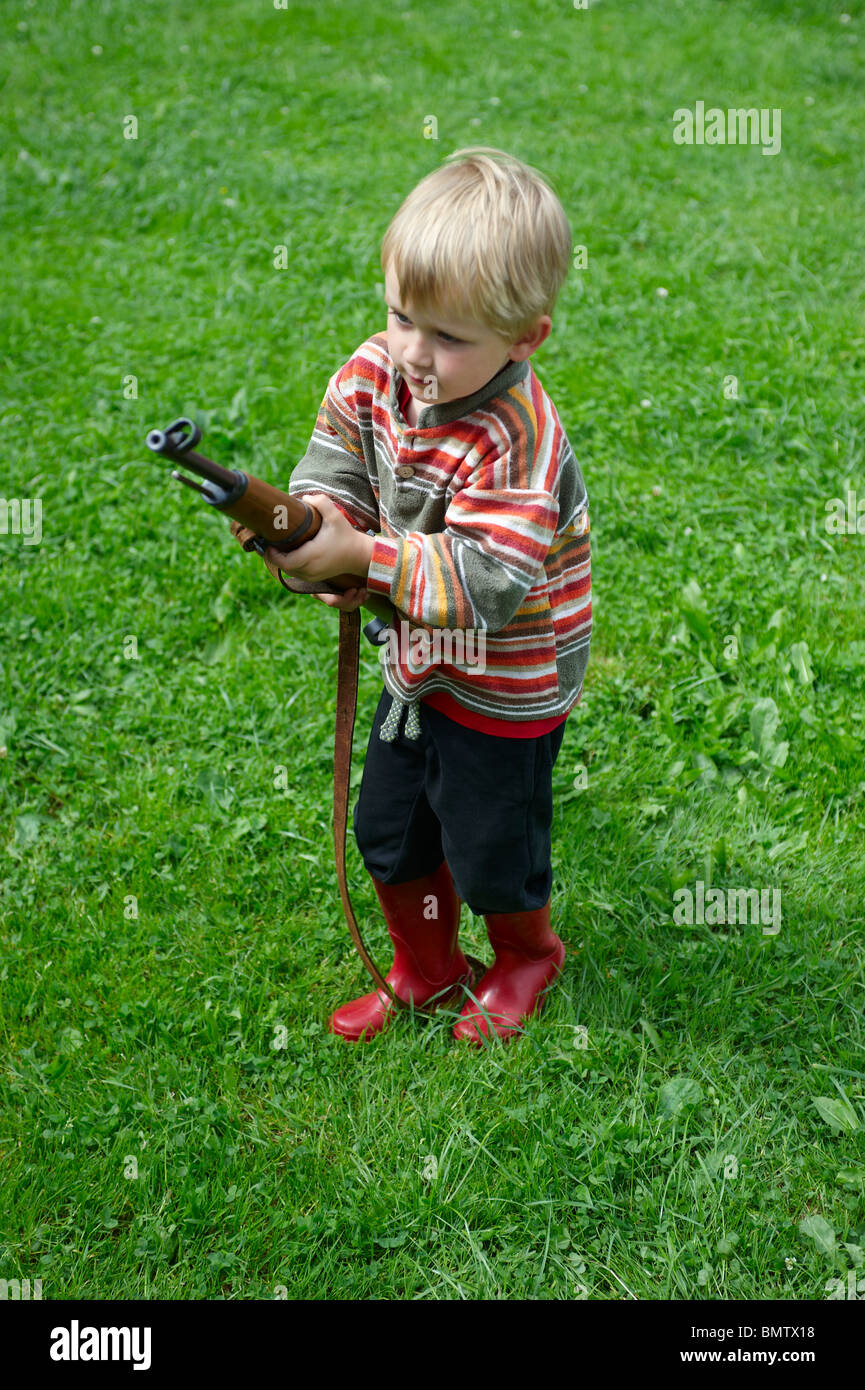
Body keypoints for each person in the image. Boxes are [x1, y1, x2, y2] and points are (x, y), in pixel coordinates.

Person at [265, 147, 591, 1045]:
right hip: (417, 663)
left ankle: (526, 958)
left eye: (448, 338)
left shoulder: (517, 437)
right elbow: (336, 461)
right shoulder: (379, 369)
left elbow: (484, 583)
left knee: (492, 848)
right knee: (390, 829)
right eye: (400, 316)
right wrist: (314, 523)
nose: (411, 353)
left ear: (526, 337)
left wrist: (362, 559)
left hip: (506, 680)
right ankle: (429, 970)